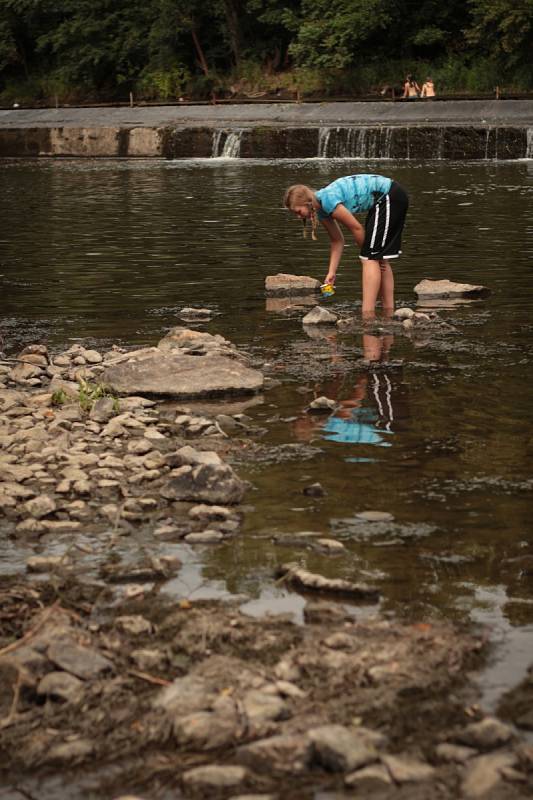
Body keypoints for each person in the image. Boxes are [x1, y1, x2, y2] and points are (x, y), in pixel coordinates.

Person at [283, 175, 409, 319]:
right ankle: (388, 312)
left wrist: (370, 255)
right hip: (383, 201)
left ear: (308, 202)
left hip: (389, 195)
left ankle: (368, 315)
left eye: (298, 212)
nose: (299, 217)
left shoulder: (328, 200)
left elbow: (356, 228)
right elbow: (337, 240)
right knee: (378, 259)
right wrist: (332, 272)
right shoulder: (321, 209)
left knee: (370, 259)